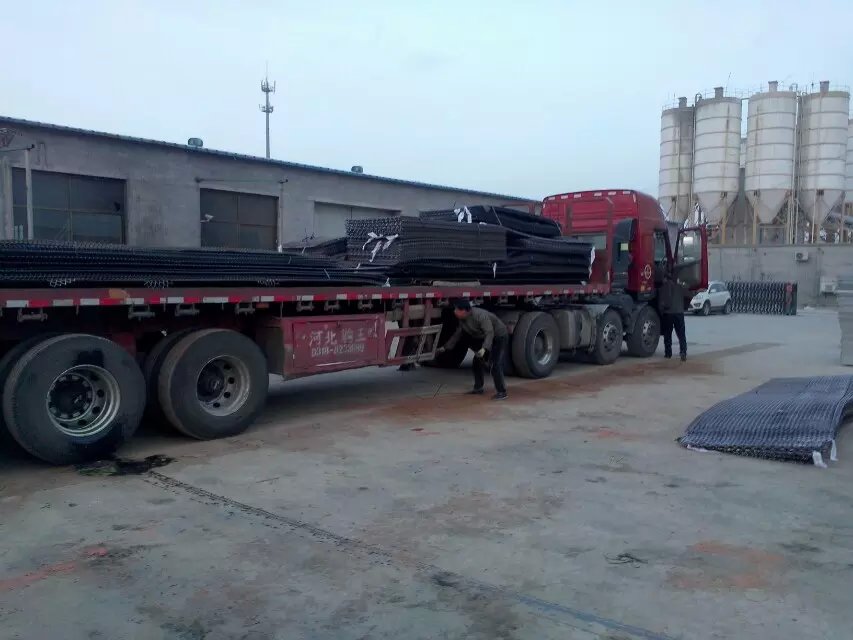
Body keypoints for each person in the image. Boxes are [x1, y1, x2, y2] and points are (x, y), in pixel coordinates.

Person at [436, 299, 509, 399]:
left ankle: (502, 392)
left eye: (457, 310)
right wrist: (445, 347)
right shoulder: (462, 319)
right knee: (477, 361)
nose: (454, 311)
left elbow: (489, 333)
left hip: (499, 337)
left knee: (495, 364)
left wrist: (484, 348)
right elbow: (457, 334)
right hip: (483, 337)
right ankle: (478, 388)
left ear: (464, 311)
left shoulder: (480, 316)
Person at [659, 271, 688, 361]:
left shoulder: (665, 286)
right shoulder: (681, 286)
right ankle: (683, 352)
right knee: (681, 334)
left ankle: (668, 353)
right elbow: (688, 295)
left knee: (668, 335)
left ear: (666, 278)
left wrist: (662, 310)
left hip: (668, 314)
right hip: (679, 313)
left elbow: (664, 300)